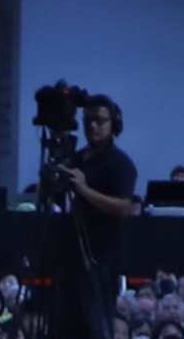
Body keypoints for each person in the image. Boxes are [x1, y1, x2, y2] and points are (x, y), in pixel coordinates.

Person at [61, 92, 143, 303]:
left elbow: (124, 207)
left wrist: (84, 189)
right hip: (71, 252)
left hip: (103, 257)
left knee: (97, 326)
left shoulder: (121, 163)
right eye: (88, 121)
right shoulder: (77, 158)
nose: (93, 126)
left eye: (100, 120)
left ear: (113, 124)